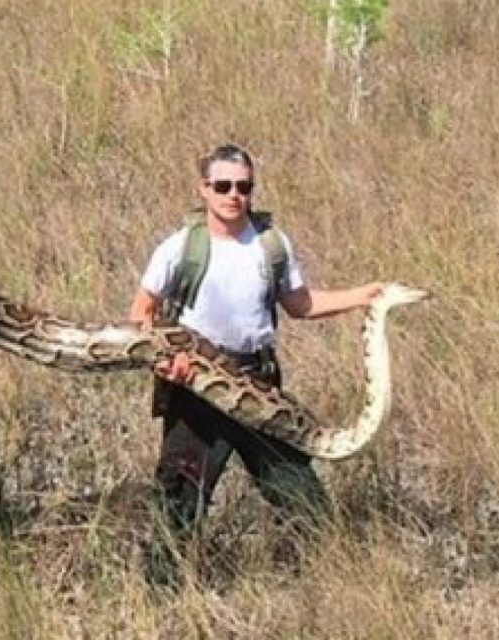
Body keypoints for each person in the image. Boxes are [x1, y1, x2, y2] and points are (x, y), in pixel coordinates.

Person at [128, 144, 384, 587]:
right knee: (180, 501)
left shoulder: (271, 243)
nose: (233, 195)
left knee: (301, 495)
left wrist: (363, 296)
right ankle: (162, 601)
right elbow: (141, 313)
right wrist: (169, 362)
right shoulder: (180, 247)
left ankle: (330, 587)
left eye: (243, 187)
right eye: (222, 186)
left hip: (258, 384)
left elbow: (300, 304)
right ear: (203, 189)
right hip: (197, 388)